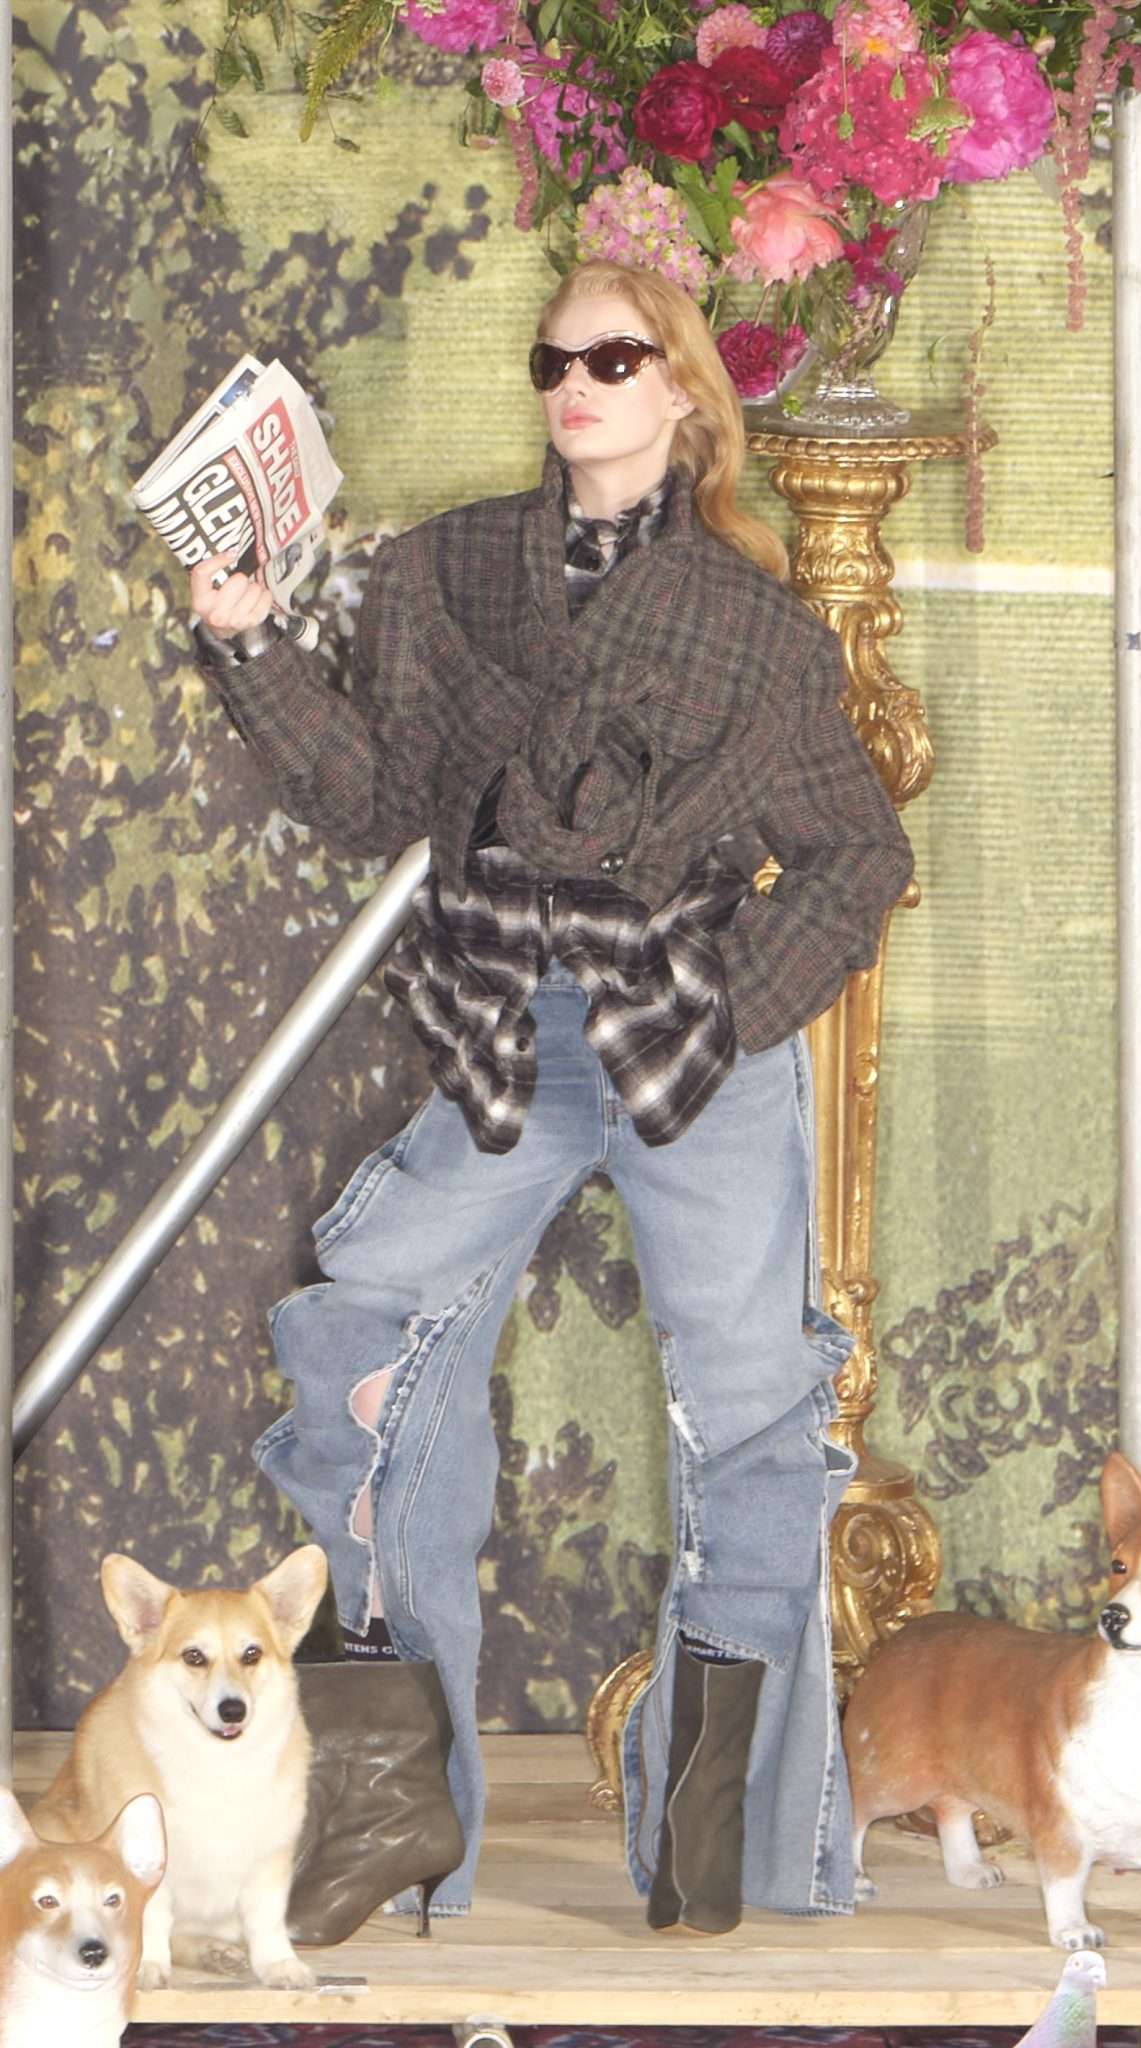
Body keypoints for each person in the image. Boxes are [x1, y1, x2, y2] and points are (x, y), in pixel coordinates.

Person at [188, 258, 913, 1934]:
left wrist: (730, 1003)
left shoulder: (755, 628)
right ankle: (387, 1817)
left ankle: (722, 1845)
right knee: (363, 1337)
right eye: (553, 359)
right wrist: (250, 643)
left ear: (684, 393)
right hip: (500, 1024)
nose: (575, 384)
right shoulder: (445, 574)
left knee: (752, 1407)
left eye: (615, 356)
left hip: (686, 1038)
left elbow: (856, 855)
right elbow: (372, 794)